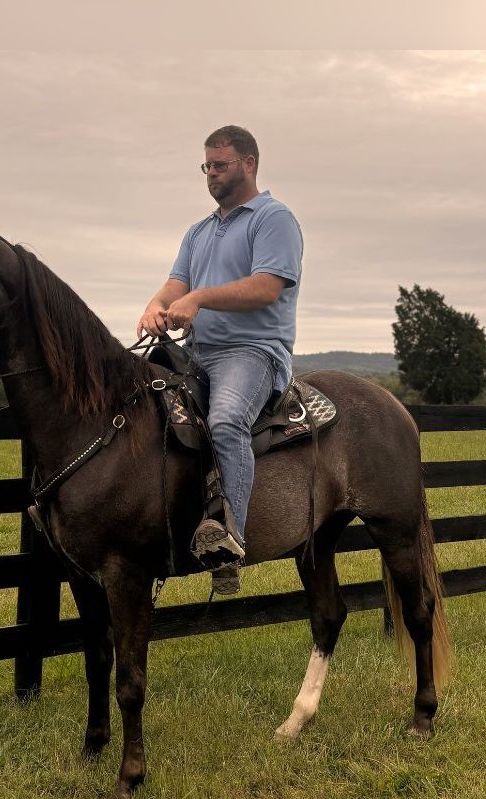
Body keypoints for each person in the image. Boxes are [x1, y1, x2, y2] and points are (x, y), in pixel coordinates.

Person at [136, 125, 303, 594]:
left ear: (248, 164)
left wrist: (201, 299)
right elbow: (176, 284)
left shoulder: (273, 219)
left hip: (251, 352)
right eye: (206, 166)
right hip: (197, 352)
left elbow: (267, 286)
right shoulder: (200, 230)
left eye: (221, 165)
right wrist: (157, 305)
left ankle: (230, 538)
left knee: (228, 420)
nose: (211, 174)